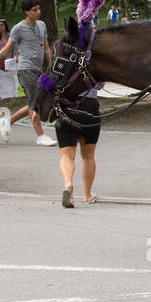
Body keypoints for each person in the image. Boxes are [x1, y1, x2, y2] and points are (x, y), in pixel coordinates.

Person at [0, 0, 57, 145]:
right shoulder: (18, 28)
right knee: (35, 102)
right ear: (26, 12)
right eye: (34, 10)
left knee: (37, 101)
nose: (38, 12)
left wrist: (52, 66)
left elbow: (47, 49)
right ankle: (40, 136)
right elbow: (5, 50)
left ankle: (7, 122)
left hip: (38, 70)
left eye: (38, 9)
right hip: (25, 69)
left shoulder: (42, 25)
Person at [57, 78, 103, 208]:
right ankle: (87, 195)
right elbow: (100, 85)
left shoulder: (63, 59)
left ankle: (68, 185)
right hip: (90, 107)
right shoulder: (93, 60)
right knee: (88, 156)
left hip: (66, 106)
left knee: (66, 154)